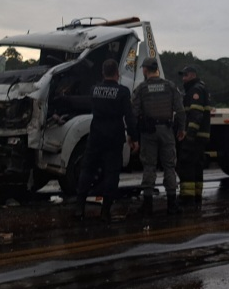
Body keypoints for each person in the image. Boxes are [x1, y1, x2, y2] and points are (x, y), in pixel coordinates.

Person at [74, 59, 138, 222]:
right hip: (114, 136)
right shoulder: (123, 92)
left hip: (96, 135)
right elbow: (129, 116)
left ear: (103, 73)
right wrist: (133, 136)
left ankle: (79, 207)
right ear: (117, 73)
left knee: (87, 170)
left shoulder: (94, 89)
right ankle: (105, 211)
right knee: (111, 174)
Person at [131, 56, 185, 216]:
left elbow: (134, 113)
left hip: (148, 132)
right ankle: (172, 205)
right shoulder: (170, 86)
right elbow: (180, 110)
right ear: (157, 70)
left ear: (146, 70)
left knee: (149, 166)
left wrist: (132, 135)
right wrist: (181, 128)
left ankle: (147, 205)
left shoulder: (141, 89)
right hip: (167, 131)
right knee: (169, 166)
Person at [177, 65, 212, 211]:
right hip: (201, 137)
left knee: (187, 166)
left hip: (195, 137)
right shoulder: (201, 88)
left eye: (185, 76)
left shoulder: (195, 90)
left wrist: (189, 135)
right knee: (197, 167)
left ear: (192, 75)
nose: (183, 79)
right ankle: (196, 196)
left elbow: (195, 115)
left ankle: (187, 198)